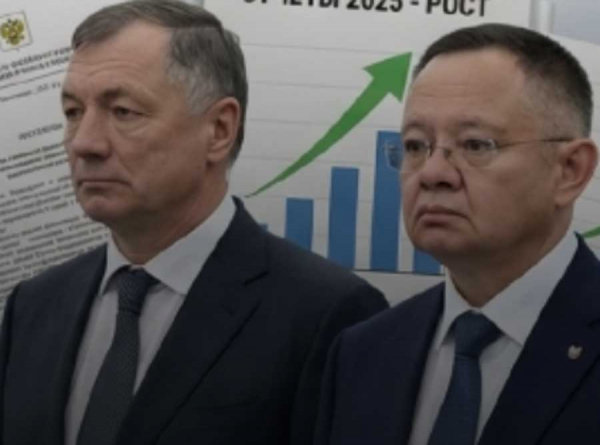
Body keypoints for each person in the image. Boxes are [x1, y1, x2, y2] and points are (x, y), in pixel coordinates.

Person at [0, 1, 387, 444]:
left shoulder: (328, 316)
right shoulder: (34, 305)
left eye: (123, 111)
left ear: (219, 129)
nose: (84, 142)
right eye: (73, 112)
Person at [315, 23, 600, 445]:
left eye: (476, 145)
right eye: (416, 146)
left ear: (570, 170)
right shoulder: (363, 351)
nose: (432, 173)